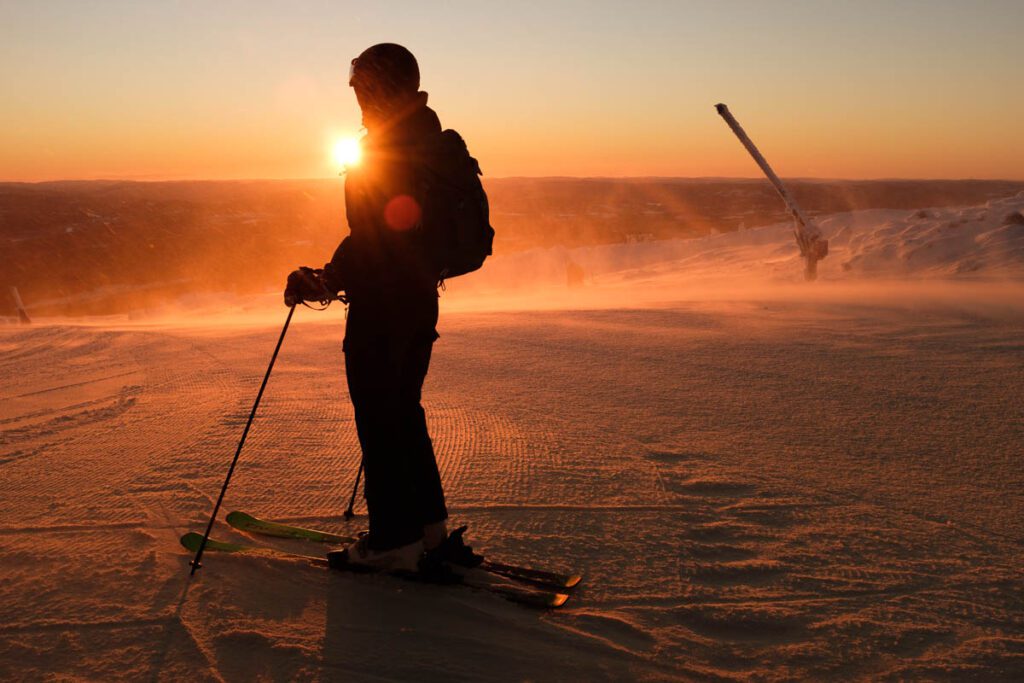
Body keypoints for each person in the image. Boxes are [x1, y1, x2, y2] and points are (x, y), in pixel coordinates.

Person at [284, 44, 461, 573]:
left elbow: (378, 239)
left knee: (380, 419)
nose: (358, 98)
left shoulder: (390, 147)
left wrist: (328, 279)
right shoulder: (429, 139)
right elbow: (383, 236)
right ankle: (430, 532)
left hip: (383, 309)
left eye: (363, 87)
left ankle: (393, 541)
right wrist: (338, 271)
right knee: (403, 413)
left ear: (380, 89)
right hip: (418, 302)